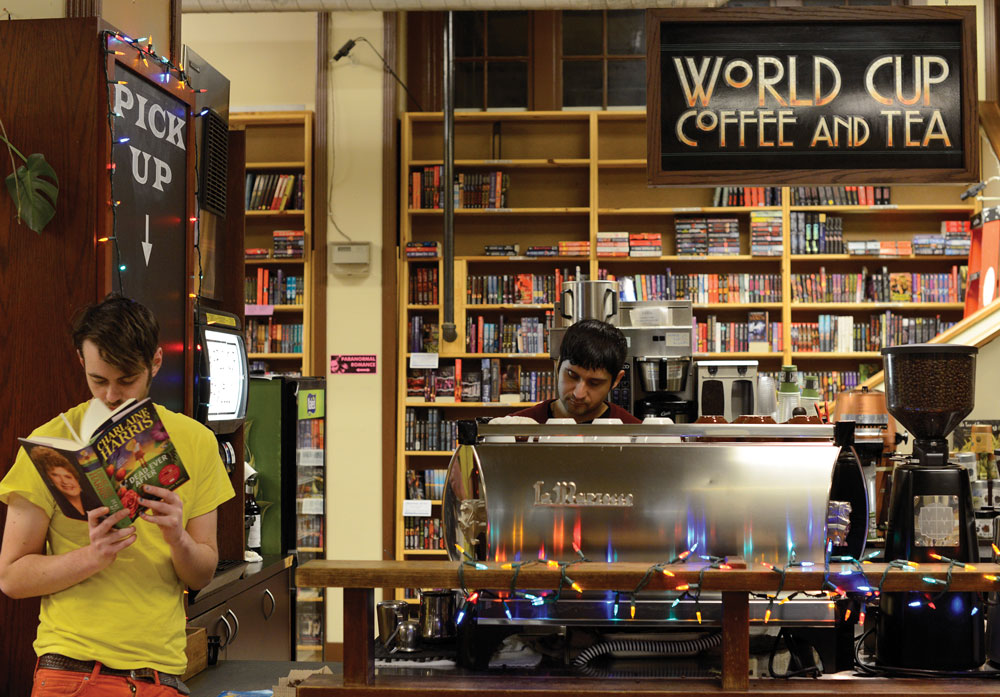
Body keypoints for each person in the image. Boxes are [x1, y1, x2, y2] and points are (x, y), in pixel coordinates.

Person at [0, 294, 235, 696]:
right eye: (98, 380)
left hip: (161, 673)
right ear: (81, 362)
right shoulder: (50, 446)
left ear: (155, 363)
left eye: (126, 380)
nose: (111, 395)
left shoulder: (196, 442)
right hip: (72, 669)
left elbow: (201, 573)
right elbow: (12, 577)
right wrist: (93, 556)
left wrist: (177, 537)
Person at [510, 319, 640, 424]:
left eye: (594, 383)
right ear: (557, 366)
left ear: (616, 380)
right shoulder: (516, 429)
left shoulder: (635, 435)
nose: (579, 394)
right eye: (571, 375)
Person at [32, 446, 86, 519]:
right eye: (56, 476)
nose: (64, 482)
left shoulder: (92, 502)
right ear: (49, 480)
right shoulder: (53, 502)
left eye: (68, 476)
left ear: (76, 478)